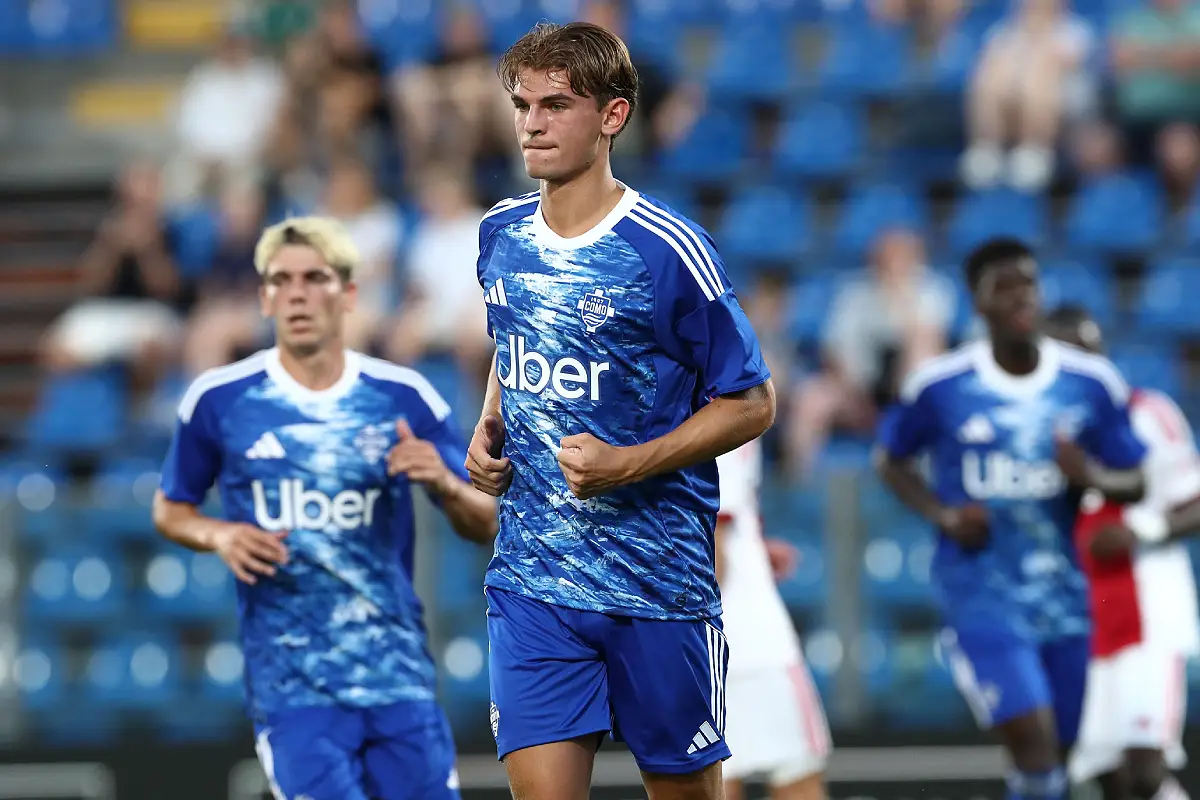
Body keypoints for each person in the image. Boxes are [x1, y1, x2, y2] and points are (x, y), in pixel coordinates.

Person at [464, 21, 777, 800]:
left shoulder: (668, 249)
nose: (532, 122)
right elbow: (512, 338)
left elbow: (753, 402)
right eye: (523, 104)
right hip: (534, 582)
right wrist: (490, 418)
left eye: (556, 104)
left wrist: (625, 465)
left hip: (657, 585)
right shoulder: (500, 233)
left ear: (613, 116)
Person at [151, 216, 498, 800]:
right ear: (263, 297)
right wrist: (221, 537)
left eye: (315, 278)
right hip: (292, 688)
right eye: (281, 280)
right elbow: (170, 508)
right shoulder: (219, 400)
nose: (297, 293)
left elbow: (483, 520)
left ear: (348, 293)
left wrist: (441, 479)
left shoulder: (403, 396)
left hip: (398, 677)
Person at [874, 237, 1147, 800]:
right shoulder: (942, 386)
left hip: (1064, 597)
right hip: (980, 593)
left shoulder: (1089, 383)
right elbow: (890, 460)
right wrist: (944, 516)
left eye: (1028, 282)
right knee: (1035, 741)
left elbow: (1136, 478)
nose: (1021, 297)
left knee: (1053, 764)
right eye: (1004, 288)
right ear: (979, 305)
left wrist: (1090, 476)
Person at [1045, 306, 1196, 800]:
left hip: (1148, 598)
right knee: (1107, 773)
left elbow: (1195, 500)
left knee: (1144, 764)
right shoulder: (1041, 434)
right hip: (1083, 606)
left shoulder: (1148, 413)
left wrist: (1142, 529)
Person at [715, 437, 831, 800]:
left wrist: (753, 551)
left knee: (712, 778)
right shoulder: (730, 408)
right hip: (751, 643)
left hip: (702, 651)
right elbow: (711, 539)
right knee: (798, 775)